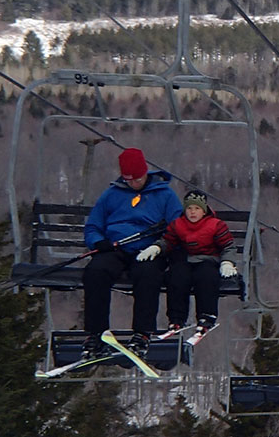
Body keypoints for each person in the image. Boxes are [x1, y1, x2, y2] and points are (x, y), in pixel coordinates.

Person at [81, 147, 184, 360]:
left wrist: (160, 246)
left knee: (148, 275)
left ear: (144, 173)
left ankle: (142, 333)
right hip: (115, 247)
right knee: (95, 272)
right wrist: (98, 242)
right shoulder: (112, 194)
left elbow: (177, 229)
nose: (132, 184)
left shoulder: (164, 195)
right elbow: (93, 225)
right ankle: (95, 333)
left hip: (148, 249)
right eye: (128, 180)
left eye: (136, 179)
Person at [142, 188, 235, 338]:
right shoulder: (178, 224)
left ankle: (206, 315)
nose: (192, 212)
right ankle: (176, 318)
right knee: (177, 277)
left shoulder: (216, 225)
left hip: (207, 259)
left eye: (197, 208)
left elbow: (227, 245)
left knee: (206, 278)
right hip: (185, 260)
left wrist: (227, 262)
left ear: (203, 211)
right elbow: (168, 241)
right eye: (189, 208)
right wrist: (157, 247)